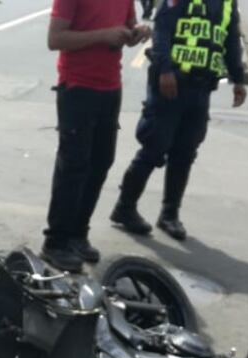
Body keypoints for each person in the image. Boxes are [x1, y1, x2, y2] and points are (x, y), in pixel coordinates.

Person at [110, 0, 247, 241]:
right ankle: (125, 207)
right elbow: (162, 29)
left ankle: (169, 215)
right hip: (171, 83)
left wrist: (238, 79)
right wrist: (164, 70)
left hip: (201, 87)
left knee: (185, 152)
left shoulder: (227, 3)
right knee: (154, 147)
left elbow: (230, 39)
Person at [42, 0, 150, 271]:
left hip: (110, 86)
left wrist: (136, 32)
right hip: (78, 86)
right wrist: (103, 35)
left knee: (101, 161)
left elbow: (125, 28)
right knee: (74, 165)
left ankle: (78, 234)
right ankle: (55, 242)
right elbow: (55, 39)